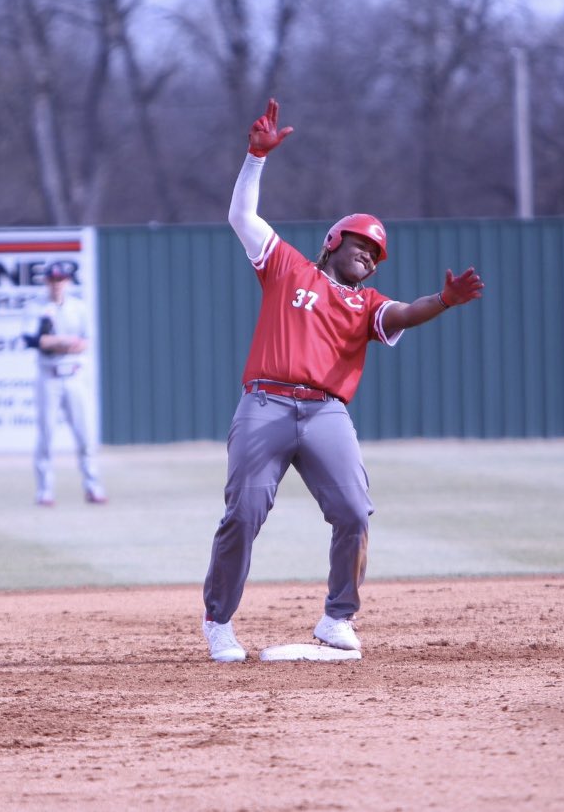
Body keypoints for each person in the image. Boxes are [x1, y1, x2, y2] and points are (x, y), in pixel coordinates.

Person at [201, 98, 484, 662]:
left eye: (378, 254)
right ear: (334, 241)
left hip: (326, 411)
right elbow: (241, 218)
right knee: (246, 511)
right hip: (267, 403)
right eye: (362, 245)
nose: (370, 257)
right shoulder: (288, 268)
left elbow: (402, 314)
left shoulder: (367, 305)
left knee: (354, 510)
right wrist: (255, 158)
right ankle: (219, 623)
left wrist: (443, 302)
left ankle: (336, 618)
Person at [25, 260, 107, 507]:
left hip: (73, 375)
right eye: (52, 279)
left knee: (84, 435)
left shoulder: (78, 307)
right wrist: (60, 340)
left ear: (68, 282)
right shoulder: (36, 307)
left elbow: (84, 342)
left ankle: (93, 487)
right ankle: (45, 491)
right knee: (46, 435)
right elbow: (32, 340)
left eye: (60, 279)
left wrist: (54, 341)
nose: (56, 284)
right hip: (48, 376)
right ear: (46, 282)